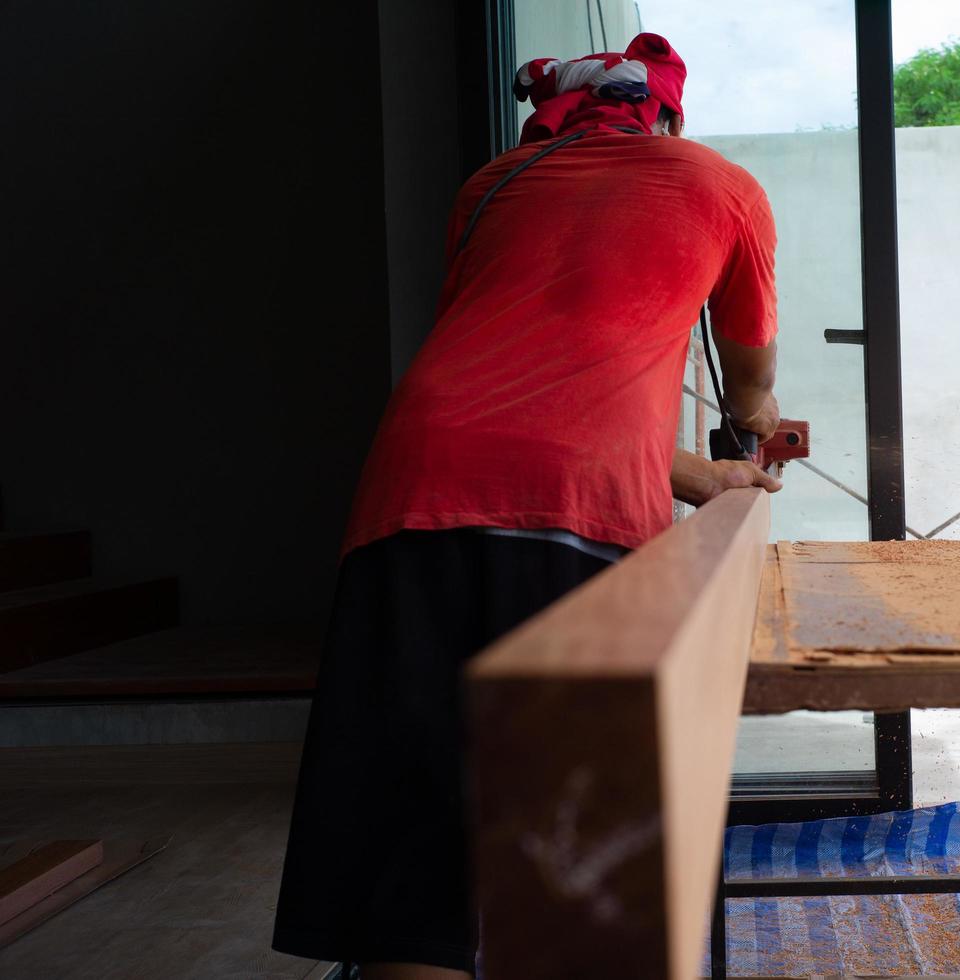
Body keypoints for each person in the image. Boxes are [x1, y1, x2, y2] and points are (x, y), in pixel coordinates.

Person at [271, 32, 783, 980]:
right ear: (667, 112)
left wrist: (695, 475)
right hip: (575, 520)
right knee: (571, 845)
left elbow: (523, 378)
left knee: (416, 843)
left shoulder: (491, 186)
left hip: (414, 489)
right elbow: (746, 383)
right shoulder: (723, 187)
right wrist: (755, 427)